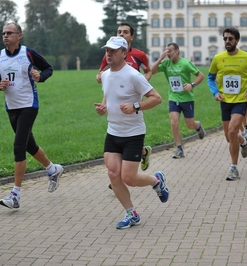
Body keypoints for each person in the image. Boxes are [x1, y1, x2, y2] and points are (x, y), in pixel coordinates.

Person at [94, 36, 169, 229]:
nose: (108, 54)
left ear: (124, 53)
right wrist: (103, 107)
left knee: (129, 178)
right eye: (106, 51)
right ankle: (131, 213)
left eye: (113, 51)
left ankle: (156, 180)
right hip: (113, 131)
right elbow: (108, 96)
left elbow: (156, 98)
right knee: (113, 174)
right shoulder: (106, 75)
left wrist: (136, 106)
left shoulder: (134, 76)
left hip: (133, 134)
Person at [0, 22, 64, 209]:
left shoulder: (28, 53)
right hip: (11, 107)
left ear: (19, 35)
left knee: (19, 146)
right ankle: (52, 169)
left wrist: (40, 76)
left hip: (29, 105)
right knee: (29, 144)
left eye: (9, 33)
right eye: (3, 33)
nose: (5, 36)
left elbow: (48, 69)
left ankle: (15, 195)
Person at [97, 22, 152, 176]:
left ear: (131, 37)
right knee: (115, 171)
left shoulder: (139, 55)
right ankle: (122, 171)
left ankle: (126, 171)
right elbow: (103, 78)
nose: (121, 34)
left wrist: (142, 85)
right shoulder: (108, 56)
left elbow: (148, 72)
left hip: (134, 98)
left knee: (131, 131)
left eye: (125, 32)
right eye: (119, 31)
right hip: (116, 114)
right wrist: (103, 105)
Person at [207, 27, 247, 181]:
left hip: (241, 100)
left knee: (232, 131)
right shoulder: (218, 58)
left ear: (237, 40)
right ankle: (244, 141)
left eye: (230, 38)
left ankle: (233, 168)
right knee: (229, 137)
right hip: (225, 100)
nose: (227, 41)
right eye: (225, 38)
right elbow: (210, 78)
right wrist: (215, 92)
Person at [151, 42, 205, 158]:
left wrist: (192, 85)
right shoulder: (166, 64)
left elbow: (201, 75)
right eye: (166, 50)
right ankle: (179, 149)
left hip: (187, 98)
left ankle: (198, 126)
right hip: (173, 97)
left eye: (170, 50)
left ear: (177, 51)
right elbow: (152, 70)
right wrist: (160, 58)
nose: (168, 53)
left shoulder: (185, 63)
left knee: (190, 124)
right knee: (174, 122)